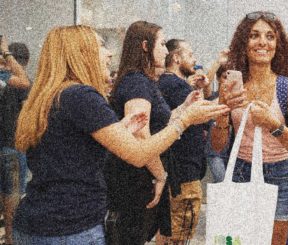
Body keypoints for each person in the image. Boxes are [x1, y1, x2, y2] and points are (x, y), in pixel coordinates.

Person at [11, 25, 227, 245]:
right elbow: (139, 154)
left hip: (34, 222)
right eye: (100, 46)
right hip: (70, 227)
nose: (109, 53)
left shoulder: (51, 96)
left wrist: (119, 130)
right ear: (80, 54)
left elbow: (68, 150)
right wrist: (185, 121)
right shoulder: (81, 96)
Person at [211, 11, 288, 245]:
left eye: (270, 36)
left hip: (281, 176)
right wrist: (223, 114)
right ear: (243, 43)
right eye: (254, 35)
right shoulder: (232, 85)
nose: (262, 43)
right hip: (240, 172)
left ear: (278, 44)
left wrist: (273, 123)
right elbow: (217, 146)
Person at [157, 38, 216, 244]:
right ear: (176, 58)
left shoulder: (167, 84)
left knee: (169, 233)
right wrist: (228, 97)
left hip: (175, 173)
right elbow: (206, 115)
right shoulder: (176, 86)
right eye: (190, 55)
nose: (194, 59)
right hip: (184, 176)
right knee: (179, 235)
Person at [0, 39, 31, 245]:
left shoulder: (5, 78)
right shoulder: (9, 79)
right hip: (11, 146)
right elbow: (25, 81)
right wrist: (6, 53)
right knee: (13, 207)